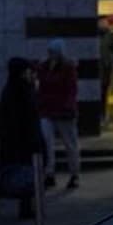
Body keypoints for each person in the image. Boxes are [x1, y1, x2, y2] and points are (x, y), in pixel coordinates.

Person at [0, 58, 42, 219]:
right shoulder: (19, 90)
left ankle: (13, 203)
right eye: (27, 71)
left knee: (20, 173)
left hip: (18, 139)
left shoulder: (15, 88)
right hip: (21, 140)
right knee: (22, 173)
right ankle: (20, 207)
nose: (29, 73)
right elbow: (25, 117)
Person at [37, 38, 81, 190]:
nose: (51, 54)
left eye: (53, 52)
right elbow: (41, 86)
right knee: (47, 143)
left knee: (70, 144)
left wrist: (68, 106)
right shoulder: (43, 66)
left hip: (63, 111)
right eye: (50, 51)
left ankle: (74, 174)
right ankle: (50, 173)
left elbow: (71, 89)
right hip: (48, 110)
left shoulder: (68, 67)